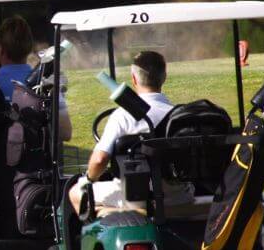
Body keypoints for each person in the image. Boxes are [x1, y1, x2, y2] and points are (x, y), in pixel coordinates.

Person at [68, 50, 192, 214]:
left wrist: (88, 179)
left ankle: (113, 220)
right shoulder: (178, 115)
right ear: (164, 77)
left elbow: (99, 160)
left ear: (133, 79)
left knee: (76, 192)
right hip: (178, 195)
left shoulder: (122, 116)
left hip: (135, 196)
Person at [0, 15, 71, 141]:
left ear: (0, 49)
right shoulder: (44, 83)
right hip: (37, 152)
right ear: (29, 48)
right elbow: (65, 133)